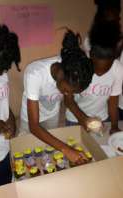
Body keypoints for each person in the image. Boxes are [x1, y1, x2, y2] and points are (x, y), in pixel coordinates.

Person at [20, 30, 94, 164]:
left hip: (52, 115)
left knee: (50, 150)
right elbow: (34, 126)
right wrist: (66, 149)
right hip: (29, 119)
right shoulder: (35, 74)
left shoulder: (71, 73)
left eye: (72, 92)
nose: (67, 94)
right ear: (60, 73)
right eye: (66, 90)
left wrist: (84, 119)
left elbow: (69, 103)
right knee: (27, 150)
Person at [66, 21, 123, 134]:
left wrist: (114, 125)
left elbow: (113, 100)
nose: (100, 74)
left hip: (102, 118)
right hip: (75, 118)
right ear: (90, 56)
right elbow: (68, 100)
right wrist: (84, 119)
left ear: (113, 60)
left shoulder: (118, 69)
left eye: (106, 69)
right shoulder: (78, 65)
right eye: (96, 68)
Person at [0, 24, 21, 186]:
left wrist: (11, 119)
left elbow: (4, 103)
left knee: (7, 181)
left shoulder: (2, 73)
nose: (2, 72)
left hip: (4, 146)